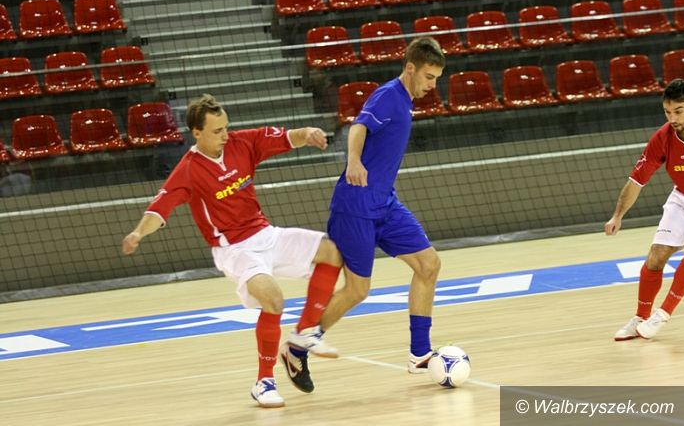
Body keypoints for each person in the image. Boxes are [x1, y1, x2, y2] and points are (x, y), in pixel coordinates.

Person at [122, 94, 343, 408]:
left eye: (226, 127)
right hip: (234, 249)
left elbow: (286, 138)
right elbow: (159, 209)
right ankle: (264, 382)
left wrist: (307, 133)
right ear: (196, 133)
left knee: (331, 251)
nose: (225, 135)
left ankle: (305, 332)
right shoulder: (188, 170)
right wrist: (137, 233)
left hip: (266, 234)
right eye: (217, 131)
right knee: (273, 299)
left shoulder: (242, 143)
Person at [317, 37, 445, 372]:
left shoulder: (406, 101)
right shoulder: (388, 96)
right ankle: (305, 338)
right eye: (429, 77)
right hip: (357, 205)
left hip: (385, 204)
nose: (432, 86)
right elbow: (359, 126)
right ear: (410, 68)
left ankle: (420, 353)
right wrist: (354, 161)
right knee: (357, 290)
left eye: (436, 79)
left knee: (429, 265)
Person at [606, 78, 684, 341]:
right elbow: (637, 180)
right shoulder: (663, 138)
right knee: (656, 256)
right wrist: (617, 215)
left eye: (678, 111)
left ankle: (663, 313)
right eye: (667, 112)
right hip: (682, 196)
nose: (672, 118)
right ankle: (640, 316)